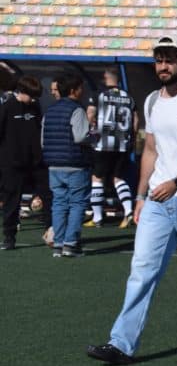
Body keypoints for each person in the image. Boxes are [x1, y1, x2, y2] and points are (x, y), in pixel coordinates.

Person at [85, 35, 177, 364]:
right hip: (157, 200)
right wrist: (140, 195)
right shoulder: (152, 100)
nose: (163, 66)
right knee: (142, 270)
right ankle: (121, 343)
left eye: (170, 59)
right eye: (159, 59)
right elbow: (150, 150)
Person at [42, 73, 93, 257]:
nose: (83, 91)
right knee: (77, 203)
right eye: (81, 88)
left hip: (53, 165)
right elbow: (80, 136)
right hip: (75, 163)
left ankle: (58, 243)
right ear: (74, 90)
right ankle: (70, 244)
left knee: (59, 203)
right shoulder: (76, 110)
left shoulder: (49, 110)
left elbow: (43, 140)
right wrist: (93, 136)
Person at [86, 66, 137, 228]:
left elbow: (90, 115)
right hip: (122, 144)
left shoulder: (99, 95)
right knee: (118, 178)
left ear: (105, 76)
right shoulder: (128, 97)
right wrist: (131, 138)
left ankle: (98, 217)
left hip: (103, 143)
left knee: (97, 177)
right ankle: (128, 211)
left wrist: (92, 130)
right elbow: (136, 121)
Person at [0, 75, 43, 250]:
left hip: (35, 163)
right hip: (12, 164)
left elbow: (38, 131)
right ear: (22, 91)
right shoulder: (7, 108)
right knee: (11, 201)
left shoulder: (35, 107)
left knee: (46, 195)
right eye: (31, 95)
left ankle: (52, 232)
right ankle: (9, 236)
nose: (33, 100)